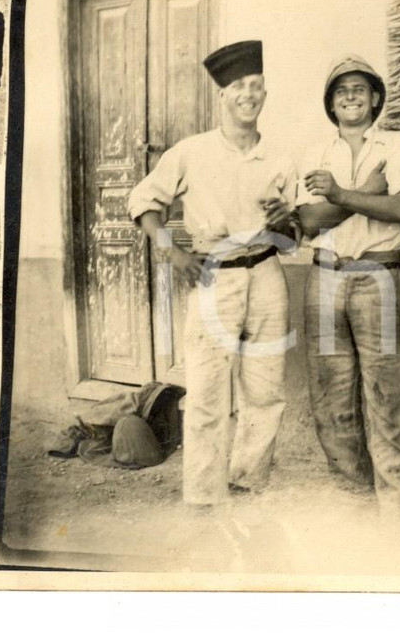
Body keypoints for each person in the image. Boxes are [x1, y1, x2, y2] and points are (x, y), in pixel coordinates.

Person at [128, 40, 297, 508]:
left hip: (266, 273)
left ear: (265, 93)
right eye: (239, 86)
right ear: (220, 95)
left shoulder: (280, 157)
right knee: (206, 389)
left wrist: (287, 218)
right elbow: (143, 202)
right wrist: (173, 253)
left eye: (257, 86)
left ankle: (250, 478)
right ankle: (204, 494)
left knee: (266, 387)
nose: (249, 94)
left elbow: (294, 232)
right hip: (213, 274)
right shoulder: (192, 152)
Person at [296, 54, 400, 520]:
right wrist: (369, 191)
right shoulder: (315, 152)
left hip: (378, 278)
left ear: (375, 99)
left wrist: (340, 194)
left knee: (387, 394)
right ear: (331, 103)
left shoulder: (398, 144)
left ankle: (397, 503)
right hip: (325, 277)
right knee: (331, 393)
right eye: (341, 89)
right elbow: (309, 221)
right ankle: (352, 493)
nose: (351, 96)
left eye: (360, 88)